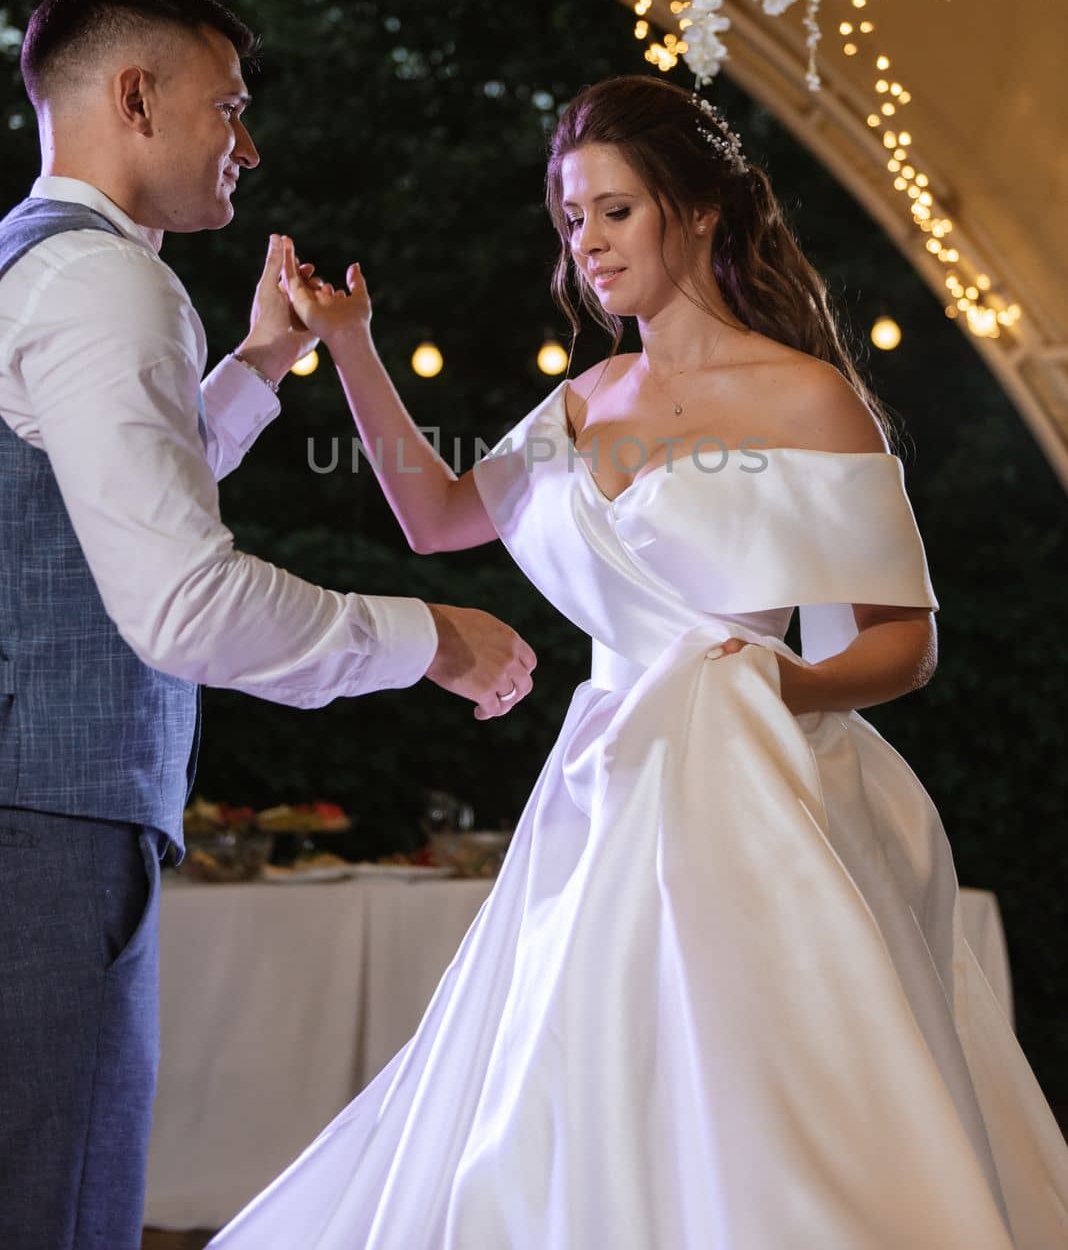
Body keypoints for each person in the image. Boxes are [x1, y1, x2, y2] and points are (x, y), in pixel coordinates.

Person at [210, 75, 1068, 1248]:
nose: (590, 242)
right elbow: (439, 516)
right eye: (572, 218)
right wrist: (352, 349)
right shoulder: (583, 401)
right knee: (564, 1098)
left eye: (616, 209)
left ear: (701, 209)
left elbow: (904, 639)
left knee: (757, 1105)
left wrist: (765, 689)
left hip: (761, 805)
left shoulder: (809, 399)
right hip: (601, 795)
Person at [0, 0, 536, 1250]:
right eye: (228, 108)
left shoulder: (35, 260)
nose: (250, 144)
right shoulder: (106, 286)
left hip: (33, 801)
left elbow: (109, 488)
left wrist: (257, 367)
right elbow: (183, 599)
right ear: (135, 97)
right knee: (59, 1207)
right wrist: (428, 635)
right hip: (50, 820)